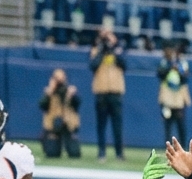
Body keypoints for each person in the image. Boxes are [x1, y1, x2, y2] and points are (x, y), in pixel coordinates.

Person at [87, 28, 127, 159]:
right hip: (101, 91)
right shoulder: (95, 50)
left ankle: (119, 153)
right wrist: (101, 50)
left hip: (115, 91)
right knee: (101, 124)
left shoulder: (119, 50)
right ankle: (101, 152)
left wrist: (113, 48)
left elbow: (124, 64)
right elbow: (93, 65)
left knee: (117, 125)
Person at [155, 40, 192, 145]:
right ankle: (168, 147)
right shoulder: (164, 62)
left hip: (179, 98)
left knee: (181, 125)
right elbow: (160, 75)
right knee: (167, 124)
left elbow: (185, 78)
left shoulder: (182, 62)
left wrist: (178, 69)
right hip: (167, 97)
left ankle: (183, 147)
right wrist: (169, 67)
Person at [39, 69, 81, 160]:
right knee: (52, 154)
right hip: (52, 127)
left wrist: (73, 96)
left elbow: (77, 104)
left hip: (68, 126)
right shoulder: (49, 93)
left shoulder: (70, 92)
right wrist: (48, 94)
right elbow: (42, 105)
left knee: (74, 154)